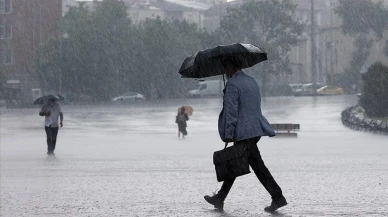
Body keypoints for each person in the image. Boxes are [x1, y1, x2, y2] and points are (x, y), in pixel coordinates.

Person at [204, 59, 287, 212]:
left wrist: (228, 133)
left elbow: (231, 112)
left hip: (243, 133)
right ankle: (220, 197)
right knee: (236, 162)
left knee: (257, 166)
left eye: (225, 66)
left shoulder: (233, 84)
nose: (224, 70)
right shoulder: (251, 81)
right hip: (254, 130)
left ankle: (278, 197)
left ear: (230, 66)